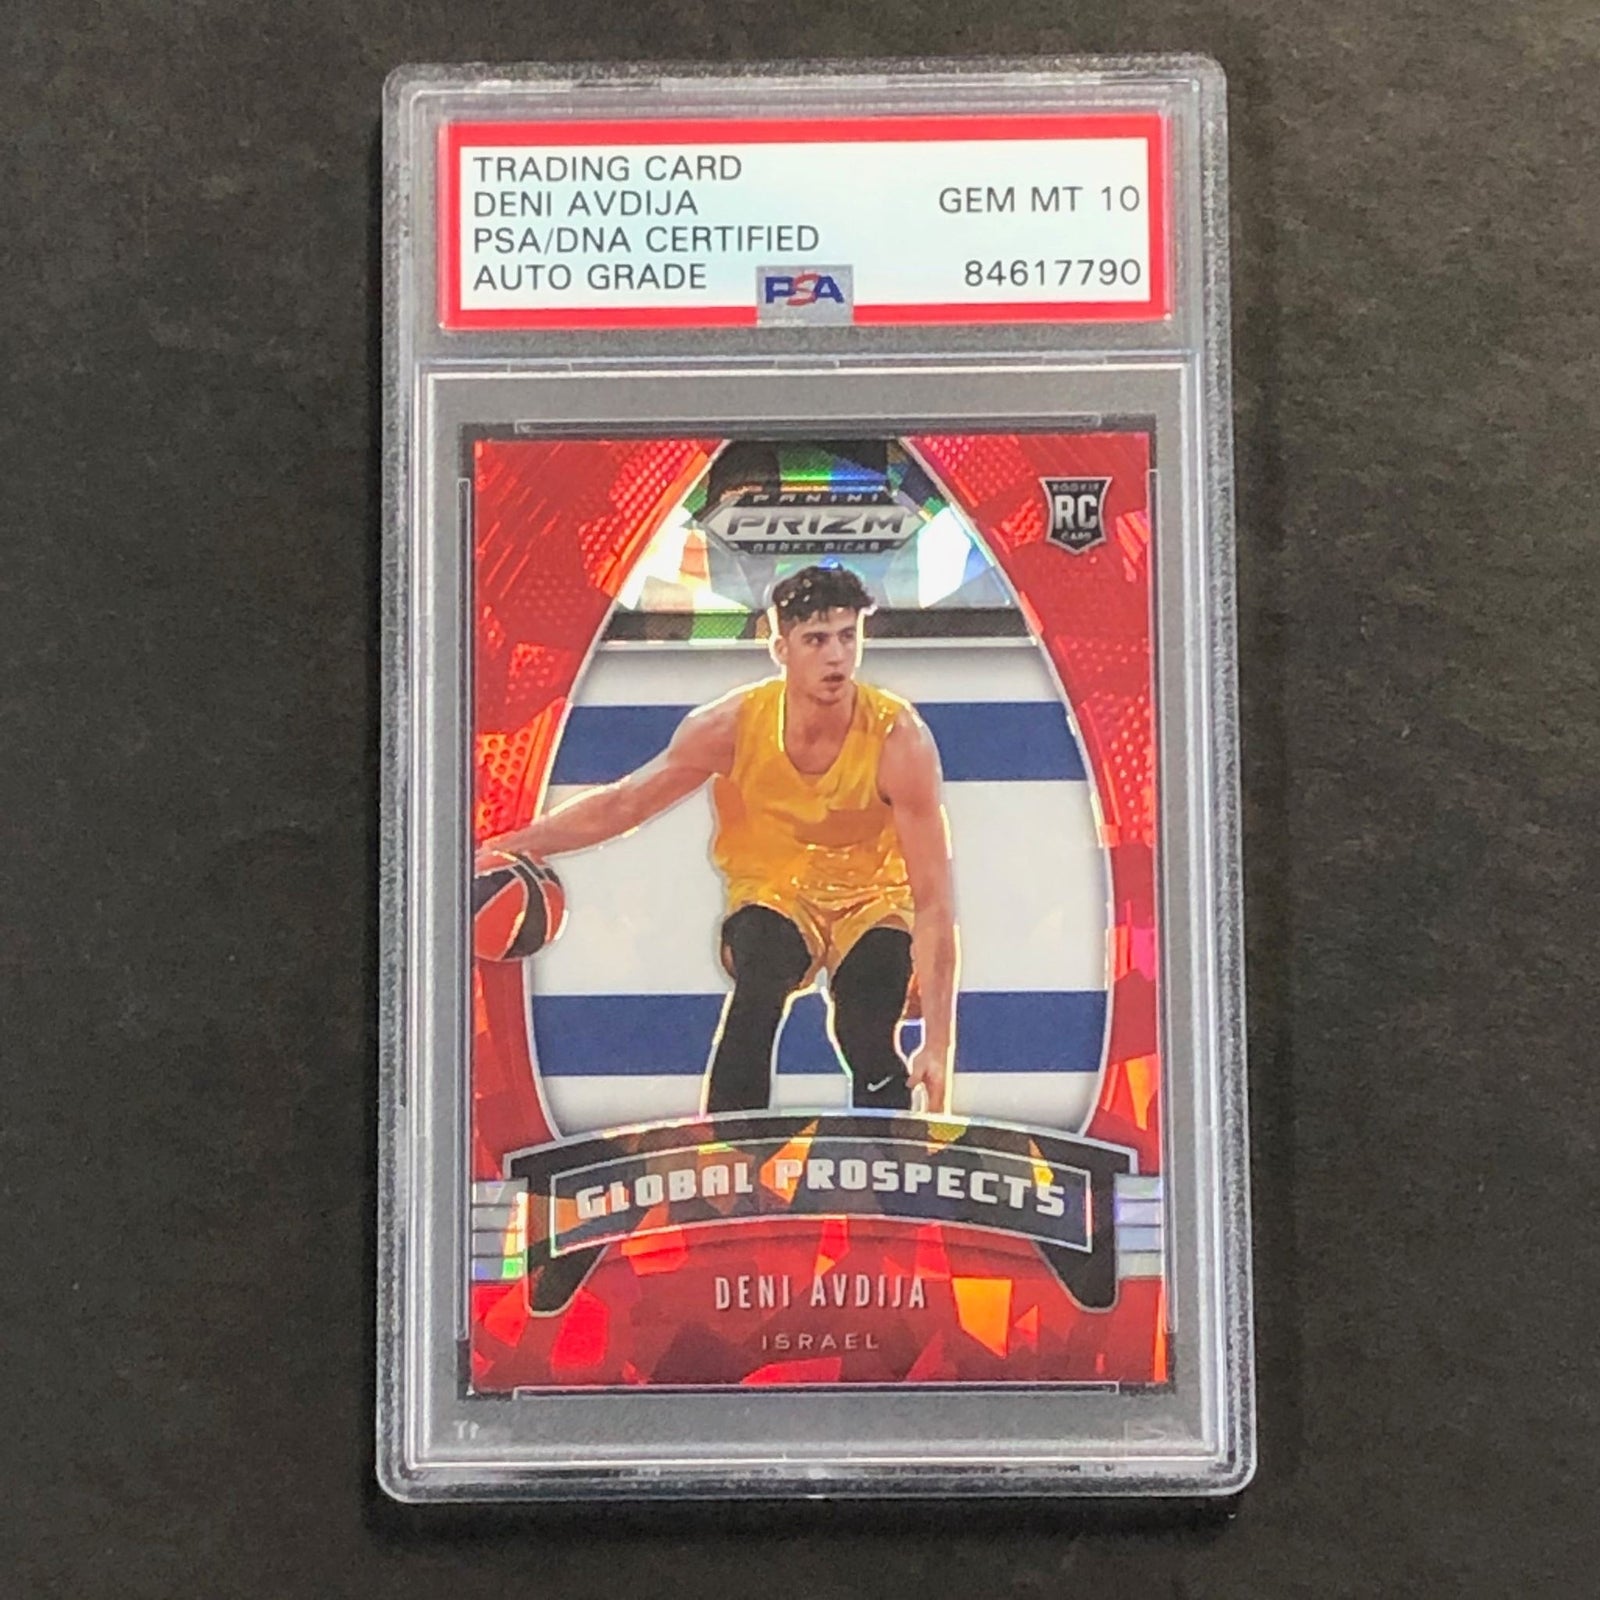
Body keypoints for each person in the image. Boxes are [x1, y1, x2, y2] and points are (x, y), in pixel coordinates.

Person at [478, 564, 957, 1114]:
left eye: (848, 637)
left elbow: (934, 902)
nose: (836, 656)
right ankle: (729, 1144)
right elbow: (626, 803)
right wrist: (517, 842)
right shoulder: (730, 726)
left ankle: (890, 1149)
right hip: (775, 893)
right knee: (760, 978)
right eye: (816, 640)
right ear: (780, 648)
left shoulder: (900, 739)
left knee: (866, 1022)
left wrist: (938, 1044)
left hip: (873, 900)